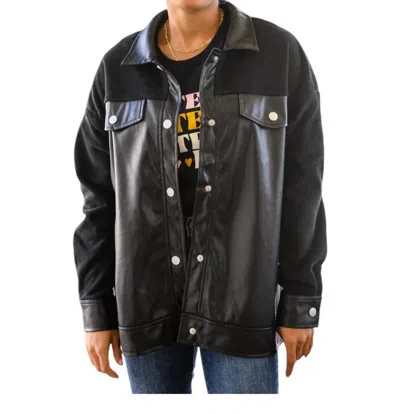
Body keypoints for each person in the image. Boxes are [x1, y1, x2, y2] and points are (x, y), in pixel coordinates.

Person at [73, 0, 327, 394]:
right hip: (147, 299)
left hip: (241, 302)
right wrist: (97, 308)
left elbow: (303, 187)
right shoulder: (117, 68)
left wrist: (299, 298)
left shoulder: (278, 53)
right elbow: (99, 200)